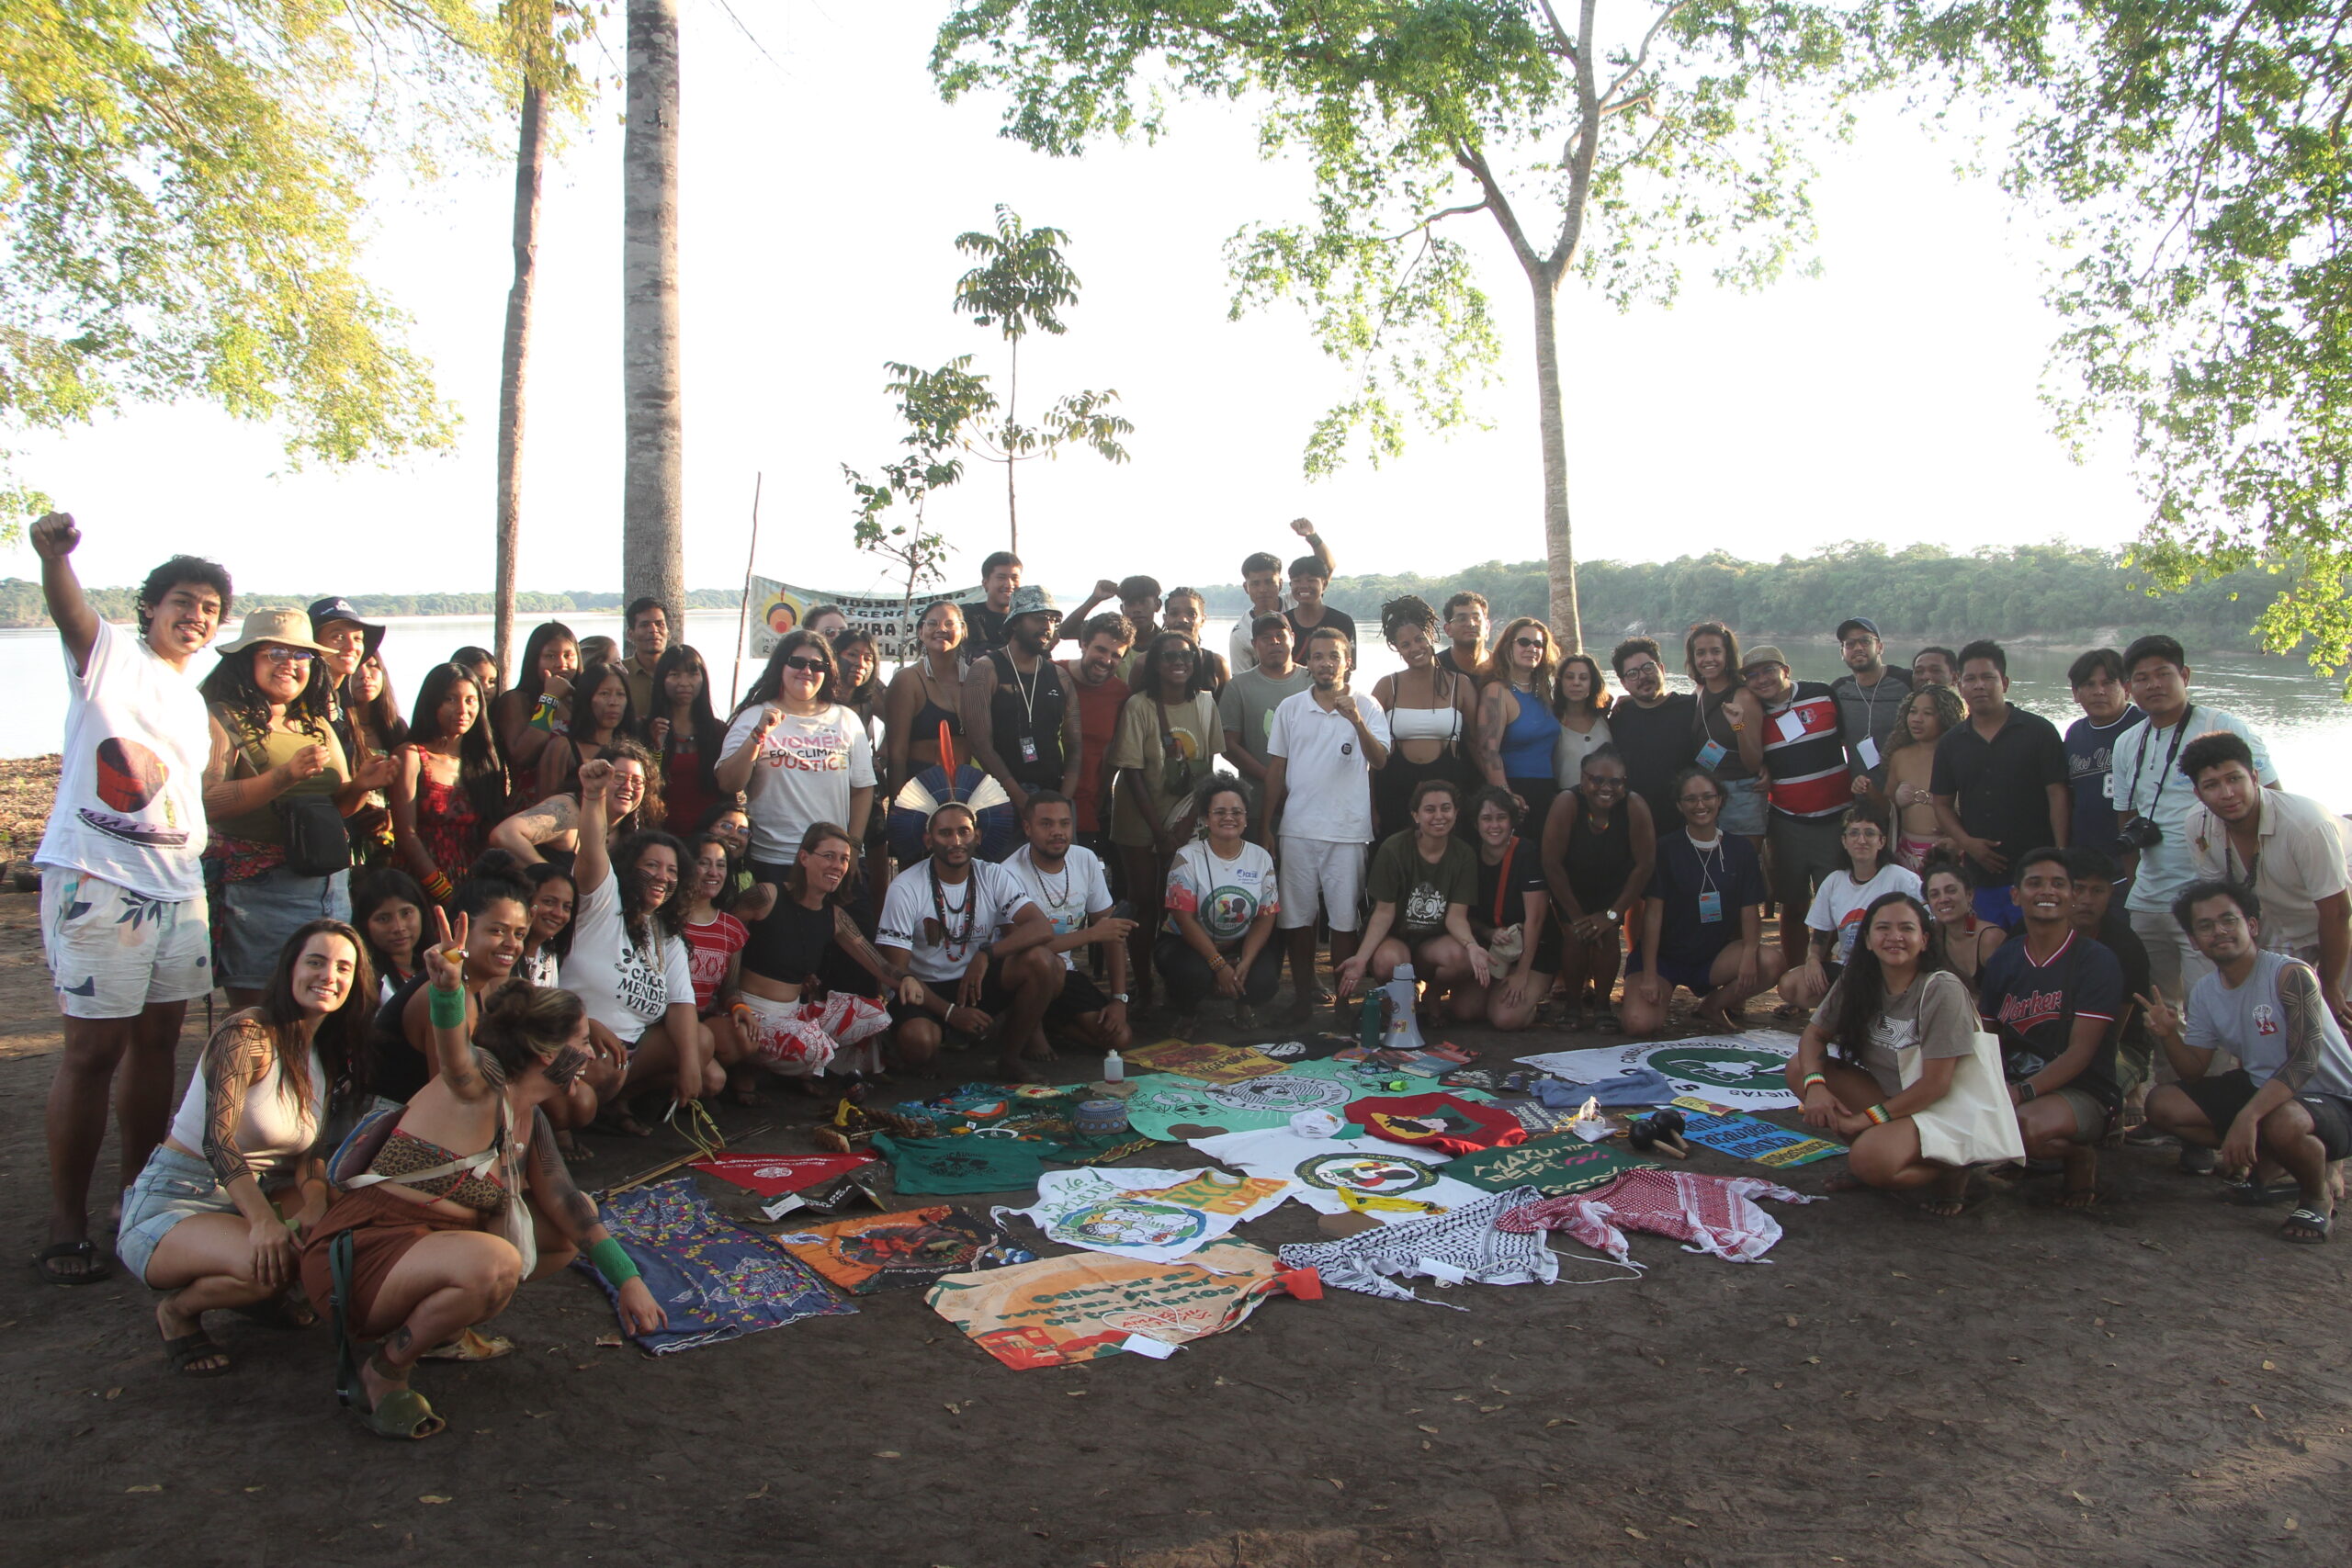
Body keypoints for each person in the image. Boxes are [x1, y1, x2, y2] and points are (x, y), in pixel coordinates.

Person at [299, 915, 664, 1439]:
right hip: (362, 1258)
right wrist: (448, 990)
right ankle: (383, 1372)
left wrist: (628, 1279)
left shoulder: (531, 1118)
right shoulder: (479, 1084)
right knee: (498, 1262)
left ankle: (437, 1324)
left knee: (560, 1234)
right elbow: (454, 1055)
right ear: (545, 1052)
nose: (589, 1055)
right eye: (581, 1042)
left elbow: (569, 1206)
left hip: (425, 1252)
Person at [28, 514, 230, 1284]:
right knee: (90, 1053)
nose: (197, 615)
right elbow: (71, 614)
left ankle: (134, 1202)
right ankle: (65, 1223)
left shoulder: (192, 699)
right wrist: (55, 560)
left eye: (210, 608)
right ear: (150, 607)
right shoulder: (112, 657)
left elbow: (195, 793)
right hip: (98, 878)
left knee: (158, 1045)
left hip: (179, 888)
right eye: (183, 600)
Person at [119, 920, 371, 1373]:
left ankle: (259, 1291)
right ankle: (178, 1314)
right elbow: (218, 1141)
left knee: (343, 1225)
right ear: (290, 967)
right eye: (315, 962)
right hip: (178, 1197)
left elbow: (308, 1152)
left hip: (254, 1196)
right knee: (273, 1261)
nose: (329, 975)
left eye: (343, 967)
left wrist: (313, 1201)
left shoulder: (324, 1053)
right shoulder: (247, 1033)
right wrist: (261, 1222)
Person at [2140, 880, 2352, 1243]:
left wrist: (2248, 1116)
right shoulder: (2205, 990)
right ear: (2193, 940)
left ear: (2251, 926)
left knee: (2282, 1121)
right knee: (2161, 1104)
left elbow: (2303, 1062)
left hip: (2333, 1097)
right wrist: (2168, 1034)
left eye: (2228, 920)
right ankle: (2275, 1161)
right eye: (2204, 926)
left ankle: (2316, 1196)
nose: (2218, 931)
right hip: (2265, 1088)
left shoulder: (2290, 974)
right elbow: (2194, 1070)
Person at [198, 608, 389, 1007]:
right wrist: (282, 777)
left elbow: (336, 809)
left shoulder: (315, 722)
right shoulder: (223, 718)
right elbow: (210, 802)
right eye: (275, 653)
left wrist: (361, 786)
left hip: (328, 888)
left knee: (320, 1016)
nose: (289, 664)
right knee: (261, 1018)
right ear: (247, 659)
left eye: (300, 655)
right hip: (259, 894)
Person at [1787, 892, 1986, 1215]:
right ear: (1866, 940)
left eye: (1906, 929)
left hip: (1939, 1110)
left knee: (1869, 1161)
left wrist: (1864, 1121)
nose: (1894, 937)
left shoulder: (1941, 989)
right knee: (1800, 1068)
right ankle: (1880, 1149)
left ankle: (1954, 1167)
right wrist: (1815, 1086)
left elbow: (1935, 1087)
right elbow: (1813, 1036)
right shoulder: (1858, 978)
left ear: (1924, 940)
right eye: (1883, 928)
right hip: (1889, 1097)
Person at [2109, 634, 2282, 999]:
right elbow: (2126, 816)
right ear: (2128, 688)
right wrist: (2133, 880)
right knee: (2159, 1003)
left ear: (2185, 675)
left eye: (2163, 673)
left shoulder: (2224, 726)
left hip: (2211, 896)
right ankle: (2164, 1059)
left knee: (2216, 998)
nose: (2154, 684)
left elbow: (2273, 800)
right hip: (2149, 897)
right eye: (2141, 678)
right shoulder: (2127, 742)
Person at [560, 759, 716, 1118]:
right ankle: (570, 1121)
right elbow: (592, 851)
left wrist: (691, 1065)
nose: (663, 876)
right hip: (578, 1041)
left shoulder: (667, 933)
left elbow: (681, 1005)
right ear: (629, 868)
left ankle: (619, 1103)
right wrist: (594, 796)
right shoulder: (603, 902)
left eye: (673, 870)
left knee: (700, 1043)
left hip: (631, 1054)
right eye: (652, 866)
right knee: (587, 1096)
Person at [1975, 848, 2126, 1207]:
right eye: (2035, 883)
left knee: (2021, 1127)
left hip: (2084, 1091)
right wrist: (1990, 1089)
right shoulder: (2006, 957)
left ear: (2072, 895)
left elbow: (2081, 1053)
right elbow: (1989, 1035)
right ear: (2015, 896)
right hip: (2018, 1084)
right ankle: (2024, 1153)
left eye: (2059, 884)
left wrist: (2020, 1094)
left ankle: (2078, 1156)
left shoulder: (2096, 960)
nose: (2048, 891)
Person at [876, 801, 1063, 1080]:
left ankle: (1010, 1058)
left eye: (964, 832)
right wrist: (950, 1013)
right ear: (928, 840)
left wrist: (986, 954)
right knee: (920, 1043)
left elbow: (1041, 928)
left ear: (978, 836)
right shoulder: (905, 887)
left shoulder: (992, 874)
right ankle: (932, 1044)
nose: (956, 841)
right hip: (923, 990)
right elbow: (897, 975)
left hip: (974, 983)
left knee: (1045, 963)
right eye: (945, 833)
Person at [2178, 732, 2351, 1029]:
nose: (2227, 793)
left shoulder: (2305, 824)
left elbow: (2338, 912)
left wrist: (2331, 984)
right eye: (2212, 785)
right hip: (2278, 929)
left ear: (2255, 777)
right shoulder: (2198, 825)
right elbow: (2224, 903)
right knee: (2272, 1025)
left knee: (2340, 1023)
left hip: (2341, 927)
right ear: (2197, 793)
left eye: (2235, 779)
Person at [1263, 626, 1393, 1020]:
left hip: (1348, 831)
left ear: (1347, 661)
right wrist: (1265, 826)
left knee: (1343, 920)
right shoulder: (1290, 708)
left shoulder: (1367, 706)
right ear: (1308, 661)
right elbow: (1276, 770)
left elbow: (1381, 759)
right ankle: (1303, 997)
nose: (1325, 663)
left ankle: (1343, 1003)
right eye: (1318, 656)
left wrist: (1355, 720)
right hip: (1298, 828)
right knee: (1297, 919)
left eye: (1334, 656)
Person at [1106, 630, 1224, 1005]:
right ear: (1155, 663)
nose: (1179, 662)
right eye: (1170, 656)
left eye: (1187, 656)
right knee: (1143, 900)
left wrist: (1185, 827)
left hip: (1187, 819)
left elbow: (1208, 772)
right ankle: (1142, 984)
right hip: (1139, 818)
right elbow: (1131, 771)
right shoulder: (1139, 705)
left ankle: (1179, 981)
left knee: (1177, 902)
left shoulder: (1205, 705)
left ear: (1196, 663)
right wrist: (1159, 832)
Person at [1621, 768, 1785, 1037]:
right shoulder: (1665, 849)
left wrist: (1747, 955)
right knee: (1639, 1024)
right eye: (1691, 799)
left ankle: (1712, 1006)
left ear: (1720, 799)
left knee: (1770, 962)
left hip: (1713, 957)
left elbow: (1749, 911)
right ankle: (1655, 985)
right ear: (1679, 805)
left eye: (1708, 797)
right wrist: (1649, 974)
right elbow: (1652, 915)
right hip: (1664, 957)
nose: (1700, 805)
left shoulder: (1740, 850)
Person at [734, 822, 899, 1086]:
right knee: (814, 1048)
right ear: (804, 858)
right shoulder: (766, 896)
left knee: (875, 1015)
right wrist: (728, 999)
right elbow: (725, 938)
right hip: (750, 1013)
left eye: (844, 859)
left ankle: (798, 1065)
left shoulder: (834, 916)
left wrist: (911, 982)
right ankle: (754, 1067)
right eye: (829, 856)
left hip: (794, 1013)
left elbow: (881, 966)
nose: (837, 865)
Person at [1927, 639, 2070, 929]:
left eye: (1988, 677)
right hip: (1982, 874)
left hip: (2035, 867)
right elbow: (1941, 803)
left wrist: (2061, 853)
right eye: (1970, 679)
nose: (1979, 685)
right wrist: (1966, 843)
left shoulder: (2039, 732)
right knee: (1988, 949)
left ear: (2004, 682)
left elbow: (2058, 795)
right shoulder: (1952, 742)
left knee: (2038, 941)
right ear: (1959, 684)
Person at [719, 630, 876, 874]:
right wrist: (759, 734)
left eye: (817, 665)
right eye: (797, 663)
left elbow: (863, 790)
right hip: (773, 859)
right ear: (781, 666)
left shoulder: (846, 719)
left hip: (832, 861)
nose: (807, 671)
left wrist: (852, 849)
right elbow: (729, 783)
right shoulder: (753, 716)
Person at [1337, 779, 1488, 1013]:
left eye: (1446, 808)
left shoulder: (1464, 855)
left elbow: (1456, 917)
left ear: (1456, 813)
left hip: (1433, 941)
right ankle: (1401, 995)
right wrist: (1361, 958)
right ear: (1416, 816)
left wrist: (1472, 946)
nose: (1439, 816)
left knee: (1462, 958)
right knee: (1390, 962)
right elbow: (1383, 913)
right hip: (1395, 937)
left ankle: (1433, 993)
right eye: (1430, 809)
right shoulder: (1394, 849)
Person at [1743, 644, 1850, 973]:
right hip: (1787, 823)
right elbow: (1745, 753)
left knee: (1835, 902)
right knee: (1793, 903)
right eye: (1753, 675)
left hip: (1836, 820)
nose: (1762, 680)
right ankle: (1796, 978)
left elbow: (1849, 741)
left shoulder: (1822, 695)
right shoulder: (1752, 713)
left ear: (1785, 671)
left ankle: (1825, 969)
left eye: (1768, 670)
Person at [1003, 791, 1136, 1055]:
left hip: (1063, 973)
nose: (1057, 832)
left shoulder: (1084, 859)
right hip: (1021, 977)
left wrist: (1119, 998)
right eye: (1046, 824)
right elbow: (1018, 950)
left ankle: (1049, 1024)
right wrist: (1091, 935)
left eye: (1064, 823)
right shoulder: (1008, 873)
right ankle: (1029, 1026)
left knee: (1119, 1038)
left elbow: (1111, 931)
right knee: (1041, 958)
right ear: (1027, 828)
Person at [1540, 747, 1657, 1032]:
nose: (1606, 788)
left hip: (1614, 885)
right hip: (1570, 884)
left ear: (1624, 782)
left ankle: (1603, 1006)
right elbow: (1551, 863)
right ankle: (1573, 1006)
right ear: (1583, 779)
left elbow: (1644, 865)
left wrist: (1614, 915)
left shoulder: (1634, 805)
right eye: (1597, 780)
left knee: (1606, 936)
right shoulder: (1567, 803)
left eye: (1615, 781)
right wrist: (1577, 917)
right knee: (1575, 935)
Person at [1159, 779, 1283, 1035]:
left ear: (1246, 818)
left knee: (1263, 981)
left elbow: (1265, 917)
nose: (1229, 818)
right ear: (1205, 818)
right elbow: (1184, 920)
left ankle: (1243, 1006)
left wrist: (1246, 962)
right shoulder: (1187, 857)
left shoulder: (1260, 857)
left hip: (1239, 943)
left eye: (1236, 812)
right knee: (1192, 975)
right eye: (1220, 812)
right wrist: (1217, 964)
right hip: (1186, 943)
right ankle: (1187, 1012)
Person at [1778, 808, 1922, 1010]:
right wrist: (1812, 960)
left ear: (1882, 841)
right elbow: (1820, 934)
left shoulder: (1904, 880)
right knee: (1791, 985)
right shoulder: (1834, 882)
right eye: (1854, 833)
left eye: (1869, 833)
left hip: (1892, 968)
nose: (1861, 840)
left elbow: (1927, 928)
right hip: (1849, 968)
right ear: (1844, 841)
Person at [390, 662, 507, 905]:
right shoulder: (411, 755)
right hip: (421, 881)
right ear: (432, 702)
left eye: (470, 700)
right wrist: (443, 890)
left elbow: (490, 829)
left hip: (472, 883)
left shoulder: (485, 761)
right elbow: (406, 834)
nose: (462, 709)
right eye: (450, 700)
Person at [964, 585, 1082, 822]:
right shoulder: (985, 670)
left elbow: (1075, 744)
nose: (1047, 627)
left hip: (1053, 797)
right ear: (1015, 622)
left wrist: (1062, 801)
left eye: (1052, 620)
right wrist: (1020, 799)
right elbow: (979, 744)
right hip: (1000, 800)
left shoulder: (1060, 677)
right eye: (1038, 618)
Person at [1372, 596, 1476, 842]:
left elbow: (1478, 744)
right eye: (1405, 644)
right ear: (1397, 648)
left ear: (1432, 635)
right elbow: (1370, 755)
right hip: (1395, 789)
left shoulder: (1459, 684)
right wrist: (1371, 806)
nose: (1415, 648)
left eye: (1420, 639)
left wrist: (1496, 788)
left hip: (1447, 790)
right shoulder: (1387, 686)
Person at [1453, 785, 1555, 1032]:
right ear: (1476, 824)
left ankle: (1534, 1000)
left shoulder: (1527, 853)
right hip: (1496, 949)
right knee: (1464, 1010)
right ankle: (1503, 994)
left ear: (1512, 822)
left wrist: (1521, 974)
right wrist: (1488, 933)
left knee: (1504, 1019)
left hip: (1533, 950)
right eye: (1486, 819)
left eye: (1501, 818)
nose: (1494, 826)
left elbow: (1536, 919)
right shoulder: (1470, 857)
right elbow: (1466, 916)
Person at [486, 739, 664, 869]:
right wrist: (553, 880)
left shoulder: (633, 828)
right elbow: (504, 835)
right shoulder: (569, 809)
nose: (628, 787)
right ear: (599, 776)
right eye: (619, 777)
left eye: (637, 781)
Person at [1218, 613, 1312, 827]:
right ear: (1254, 644)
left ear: (1293, 638)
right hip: (1257, 804)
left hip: (1309, 803)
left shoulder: (1312, 681)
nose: (1275, 642)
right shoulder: (1238, 686)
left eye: (1280, 635)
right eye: (1265, 638)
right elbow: (1228, 745)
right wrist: (1273, 781)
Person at [1058, 612, 1135, 862]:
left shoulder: (1120, 694)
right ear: (1083, 644)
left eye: (1115, 655)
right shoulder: (1052, 674)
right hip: (1041, 802)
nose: (1106, 660)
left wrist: (1101, 799)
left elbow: (1113, 753)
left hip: (1087, 809)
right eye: (1100, 650)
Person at [1476, 615, 1564, 826]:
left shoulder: (1544, 692)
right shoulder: (1496, 692)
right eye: (1524, 642)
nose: (1532, 648)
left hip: (1548, 790)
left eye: (1538, 644)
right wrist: (1506, 796)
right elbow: (1488, 751)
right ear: (1508, 647)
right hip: (1515, 793)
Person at [2062, 648, 2146, 866]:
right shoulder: (2075, 733)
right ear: (2075, 693)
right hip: (2085, 856)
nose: (2098, 691)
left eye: (2108, 683)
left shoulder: (2145, 727)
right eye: (2089, 684)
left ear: (2126, 689)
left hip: (2134, 854)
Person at [1607, 637, 1701, 828]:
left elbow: (1725, 740)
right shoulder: (1619, 717)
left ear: (1662, 669)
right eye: (1632, 673)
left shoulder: (1693, 708)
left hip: (1686, 822)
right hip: (1634, 823)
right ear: (1624, 683)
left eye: (1648, 668)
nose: (1642, 677)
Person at [1681, 623, 1761, 844]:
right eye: (1701, 653)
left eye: (1716, 651)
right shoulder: (1699, 692)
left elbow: (1754, 763)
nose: (1709, 659)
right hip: (1707, 797)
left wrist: (1738, 726)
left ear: (1727, 654)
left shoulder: (1743, 696)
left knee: (1742, 868)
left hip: (1741, 795)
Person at [882, 601, 968, 795]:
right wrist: (898, 808)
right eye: (932, 624)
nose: (941, 629)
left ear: (963, 630)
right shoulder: (908, 680)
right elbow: (897, 754)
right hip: (921, 787)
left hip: (967, 786)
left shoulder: (976, 679)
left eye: (949, 624)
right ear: (921, 632)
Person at [1230, 519, 1335, 673]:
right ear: (1246, 587)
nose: (1263, 590)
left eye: (1268, 582)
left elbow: (1325, 570)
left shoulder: (1298, 601)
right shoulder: (1241, 633)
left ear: (1280, 583)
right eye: (1255, 584)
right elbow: (1241, 680)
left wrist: (1312, 536)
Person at [1882, 683, 1963, 872]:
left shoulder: (1961, 757)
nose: (1917, 719)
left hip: (1950, 853)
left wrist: (1957, 840)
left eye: (1927, 713)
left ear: (1945, 717)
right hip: (1906, 853)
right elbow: (1886, 806)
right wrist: (1869, 790)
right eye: (1913, 712)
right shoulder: (1899, 756)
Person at [535, 659, 638, 802]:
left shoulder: (631, 750)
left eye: (620, 694)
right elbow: (544, 807)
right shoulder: (563, 747)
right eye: (604, 694)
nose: (613, 702)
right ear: (586, 698)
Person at [343, 646, 407, 867]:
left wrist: (392, 816)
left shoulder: (396, 728)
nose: (365, 675)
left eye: (372, 666)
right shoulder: (337, 728)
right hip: (349, 839)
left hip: (391, 841)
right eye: (357, 668)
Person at [491, 620, 579, 777]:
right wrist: (549, 699)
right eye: (550, 656)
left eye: (568, 656)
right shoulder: (516, 700)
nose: (561, 664)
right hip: (534, 798)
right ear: (534, 660)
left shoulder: (581, 699)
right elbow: (522, 755)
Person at [1828, 616, 1912, 777]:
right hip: (1859, 789)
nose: (1858, 648)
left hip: (1903, 788)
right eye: (1850, 644)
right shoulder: (1838, 690)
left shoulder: (1907, 682)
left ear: (1880, 647)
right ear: (1842, 652)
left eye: (1865, 641)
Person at [306, 596, 386, 762]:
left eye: (357, 638)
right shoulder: (302, 705)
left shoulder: (342, 702)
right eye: (338, 637)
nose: (351, 647)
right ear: (313, 645)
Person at [1922, 854, 2007, 996]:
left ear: (1969, 895)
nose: (1943, 899)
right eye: (1935, 894)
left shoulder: (1990, 938)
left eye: (1951, 890)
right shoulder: (1934, 937)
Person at [354, 868, 428, 1003]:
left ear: (421, 912)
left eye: (406, 913)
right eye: (383, 919)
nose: (398, 927)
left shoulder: (435, 968)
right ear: (365, 925)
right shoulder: (364, 982)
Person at [1551, 651, 1614, 793]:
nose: (1576, 683)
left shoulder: (1604, 716)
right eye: (1569, 677)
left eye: (1584, 678)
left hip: (1605, 799)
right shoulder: (1550, 719)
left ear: (1592, 683)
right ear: (1560, 682)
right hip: (1563, 801)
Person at [1159, 588, 1232, 696]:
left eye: (1191, 614)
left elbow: (1226, 709)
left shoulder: (1217, 664)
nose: (1183, 620)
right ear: (1165, 619)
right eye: (1174, 613)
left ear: (1203, 619)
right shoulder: (1145, 663)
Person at [1283, 550, 1356, 655]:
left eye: (1311, 580)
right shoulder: (1283, 623)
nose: (1304, 586)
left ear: (1324, 584)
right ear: (1291, 585)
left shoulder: (1342, 621)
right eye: (1297, 581)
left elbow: (1350, 664)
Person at [517, 863, 576, 988]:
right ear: (526, 899)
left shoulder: (552, 959)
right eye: (549, 902)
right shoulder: (504, 950)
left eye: (567, 907)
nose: (558, 913)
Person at [616, 597, 668, 718]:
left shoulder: (681, 671)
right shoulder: (619, 673)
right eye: (645, 625)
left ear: (668, 631)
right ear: (630, 634)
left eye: (660, 624)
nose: (653, 630)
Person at [965, 551, 1022, 655]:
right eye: (1001, 577)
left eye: (1014, 578)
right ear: (985, 583)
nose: (1009, 584)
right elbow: (980, 650)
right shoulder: (970, 613)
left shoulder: (1025, 618)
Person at [1438, 591, 1490, 678]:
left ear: (1487, 627)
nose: (1471, 624)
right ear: (1448, 630)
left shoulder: (1503, 667)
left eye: (1476, 618)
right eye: (1462, 619)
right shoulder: (1434, 668)